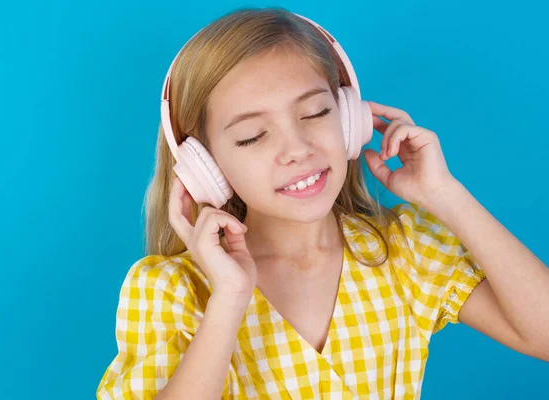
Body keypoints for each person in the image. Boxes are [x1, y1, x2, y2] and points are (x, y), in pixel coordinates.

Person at [96, 6, 549, 400]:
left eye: (315, 113)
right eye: (253, 136)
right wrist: (229, 300)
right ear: (204, 167)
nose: (297, 148)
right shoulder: (169, 291)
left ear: (349, 119)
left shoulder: (404, 251)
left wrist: (444, 195)